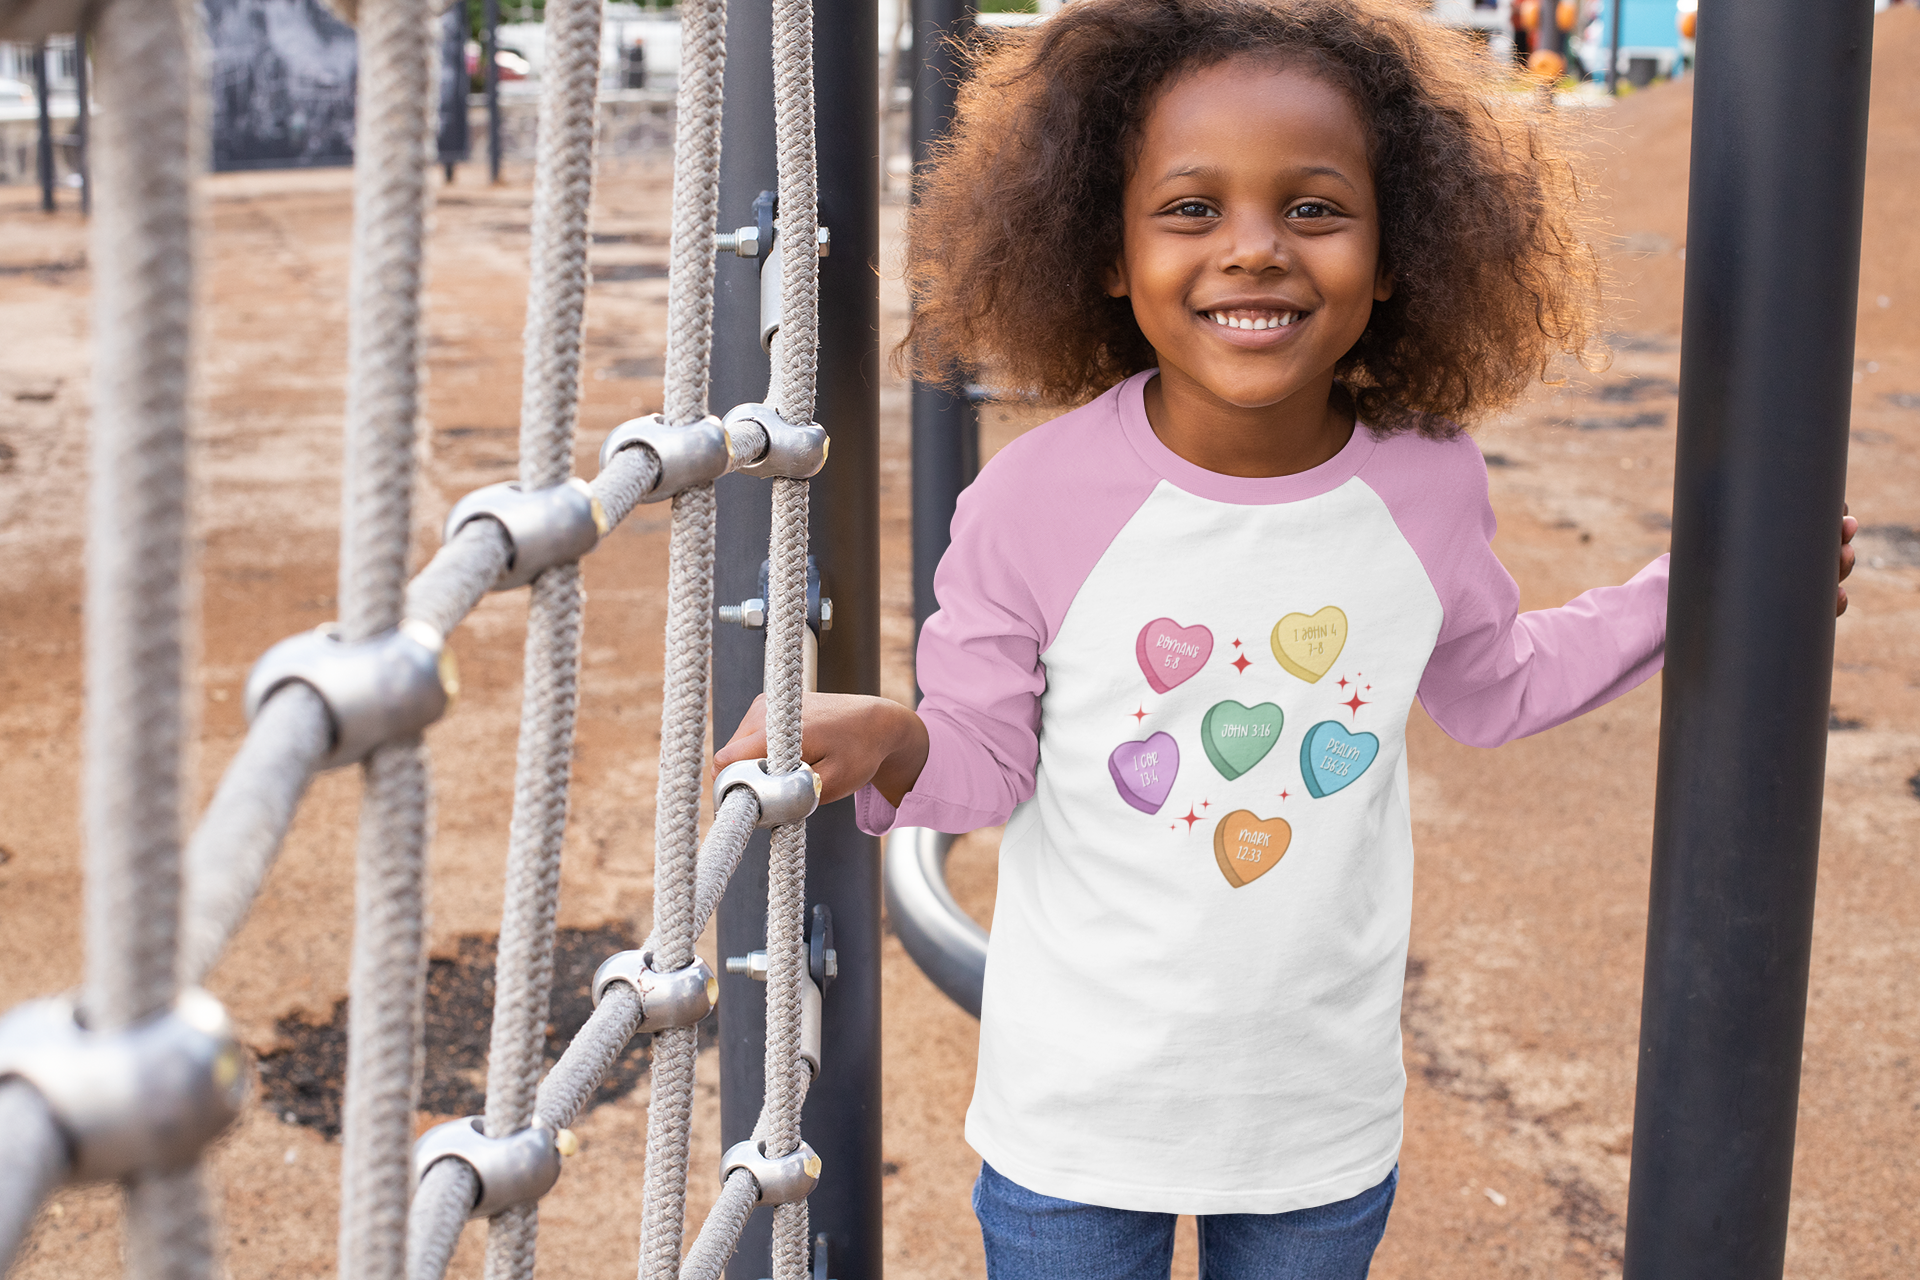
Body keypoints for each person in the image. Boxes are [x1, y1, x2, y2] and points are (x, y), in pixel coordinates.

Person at [716, 1, 1857, 1274]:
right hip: (1076, 1118)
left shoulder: (1425, 484)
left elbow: (1495, 685)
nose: (1253, 250)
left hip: (1316, 1123)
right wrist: (890, 734)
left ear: (1393, 251)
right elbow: (991, 758)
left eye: (1313, 208)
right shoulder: (1033, 501)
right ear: (1106, 250)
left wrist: (1699, 585)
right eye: (1191, 209)